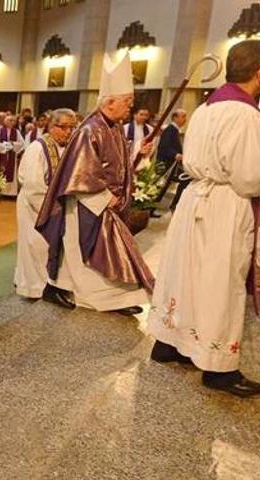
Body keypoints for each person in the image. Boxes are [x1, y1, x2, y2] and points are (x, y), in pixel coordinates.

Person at [148, 39, 260, 398]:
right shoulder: (245, 113)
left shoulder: (206, 107)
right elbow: (252, 174)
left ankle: (169, 343)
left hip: (195, 199)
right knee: (221, 281)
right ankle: (219, 369)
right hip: (224, 203)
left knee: (185, 274)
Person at [36, 52, 154, 315]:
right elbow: (81, 174)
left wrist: (139, 154)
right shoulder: (90, 129)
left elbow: (117, 166)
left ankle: (116, 298)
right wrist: (105, 198)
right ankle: (90, 296)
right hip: (88, 205)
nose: (130, 107)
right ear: (110, 102)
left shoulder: (112, 127)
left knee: (112, 252)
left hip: (105, 205)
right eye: (127, 102)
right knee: (90, 255)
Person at [14, 109, 76, 299]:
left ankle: (48, 283)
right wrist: (53, 208)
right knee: (35, 245)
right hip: (35, 206)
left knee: (48, 248)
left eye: (72, 127)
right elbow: (33, 184)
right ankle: (35, 288)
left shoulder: (67, 148)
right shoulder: (37, 148)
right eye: (63, 127)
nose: (68, 132)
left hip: (53, 206)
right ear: (51, 126)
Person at [154, 109, 189, 210]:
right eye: (183, 116)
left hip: (171, 164)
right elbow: (164, 146)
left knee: (163, 187)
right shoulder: (170, 129)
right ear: (175, 117)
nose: (185, 119)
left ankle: (155, 208)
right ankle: (150, 209)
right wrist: (175, 154)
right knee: (159, 187)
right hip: (165, 163)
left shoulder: (175, 130)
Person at [0, 115, 23, 196]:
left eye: (12, 120)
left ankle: (10, 192)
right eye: (9, 120)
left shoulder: (16, 132)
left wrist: (12, 144)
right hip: (0, 156)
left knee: (10, 173)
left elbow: (22, 144)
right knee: (0, 172)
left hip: (11, 155)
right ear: (5, 121)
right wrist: (5, 146)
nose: (11, 122)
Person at [124, 107, 155, 171]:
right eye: (141, 114)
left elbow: (152, 145)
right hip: (129, 157)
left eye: (146, 115)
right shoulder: (125, 128)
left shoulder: (150, 129)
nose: (144, 117)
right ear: (135, 115)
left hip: (143, 158)